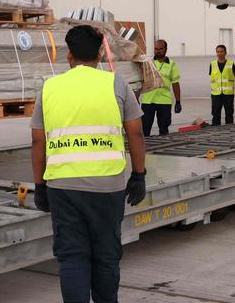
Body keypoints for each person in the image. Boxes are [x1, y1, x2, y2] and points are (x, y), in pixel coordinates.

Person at [30, 25, 147, 303]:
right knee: (106, 256)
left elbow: (38, 142)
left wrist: (39, 185)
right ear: (98, 55)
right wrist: (139, 175)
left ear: (69, 56)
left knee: (72, 257)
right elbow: (136, 133)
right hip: (107, 187)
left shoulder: (49, 88)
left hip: (63, 187)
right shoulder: (117, 84)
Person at [139, 39, 181, 136]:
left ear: (166, 49)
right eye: (156, 49)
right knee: (145, 130)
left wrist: (178, 102)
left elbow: (175, 83)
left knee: (164, 130)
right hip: (148, 101)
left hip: (164, 101)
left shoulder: (171, 64)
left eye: (161, 49)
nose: (158, 51)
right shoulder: (148, 62)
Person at [207, 44, 235, 125]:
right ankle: (216, 131)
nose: (219, 53)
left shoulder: (231, 64)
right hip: (216, 94)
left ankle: (230, 130)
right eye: (218, 52)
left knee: (229, 114)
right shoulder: (212, 64)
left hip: (228, 94)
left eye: (221, 52)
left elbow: (234, 77)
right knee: (215, 114)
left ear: (225, 52)